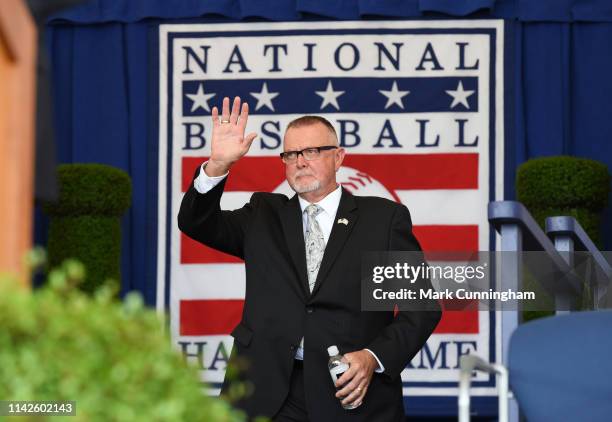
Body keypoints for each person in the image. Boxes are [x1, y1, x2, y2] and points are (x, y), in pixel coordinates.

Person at [178, 96, 441, 421]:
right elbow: (195, 222)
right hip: (266, 392)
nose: (300, 161)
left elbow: (421, 308)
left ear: (338, 157)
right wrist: (217, 165)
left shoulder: (382, 220)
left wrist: (373, 357)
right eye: (290, 154)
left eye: (312, 151)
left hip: (347, 392)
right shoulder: (263, 215)